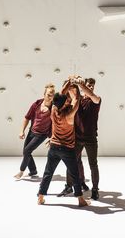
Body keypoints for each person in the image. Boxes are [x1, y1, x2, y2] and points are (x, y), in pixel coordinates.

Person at [37, 77, 88, 207]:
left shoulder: (54, 110)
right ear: (64, 103)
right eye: (66, 101)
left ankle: (41, 196)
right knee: (75, 174)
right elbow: (77, 100)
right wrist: (77, 84)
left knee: (48, 173)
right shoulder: (69, 115)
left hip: (54, 148)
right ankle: (81, 200)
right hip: (67, 149)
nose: (68, 101)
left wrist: (68, 83)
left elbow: (60, 95)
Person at [57, 78, 102, 200]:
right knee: (71, 162)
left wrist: (81, 84)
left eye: (92, 86)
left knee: (93, 164)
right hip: (77, 137)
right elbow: (65, 96)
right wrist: (71, 82)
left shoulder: (96, 99)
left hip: (91, 138)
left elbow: (90, 94)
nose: (91, 87)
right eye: (89, 85)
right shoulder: (77, 100)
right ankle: (68, 186)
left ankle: (95, 190)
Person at [14, 83, 55, 180]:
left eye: (52, 95)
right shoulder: (36, 104)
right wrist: (21, 131)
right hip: (31, 131)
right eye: (48, 95)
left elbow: (57, 123)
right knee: (26, 152)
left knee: (27, 150)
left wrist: (53, 137)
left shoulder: (54, 108)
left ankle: (21, 171)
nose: (50, 97)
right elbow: (27, 118)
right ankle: (33, 171)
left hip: (42, 134)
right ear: (44, 94)